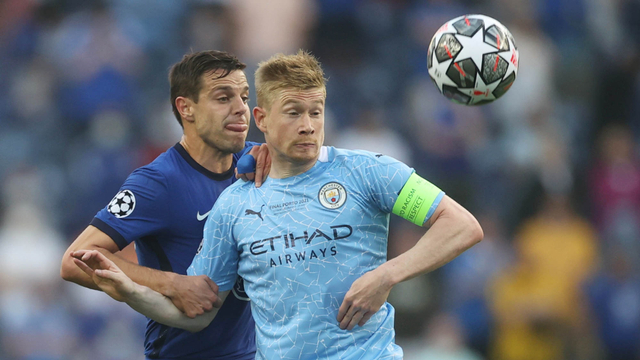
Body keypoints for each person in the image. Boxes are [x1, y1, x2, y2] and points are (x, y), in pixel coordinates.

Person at [73, 51, 483, 359]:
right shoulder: (227, 202)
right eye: (293, 113)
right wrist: (133, 289)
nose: (308, 125)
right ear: (263, 118)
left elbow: (462, 225)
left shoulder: (368, 172)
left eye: (316, 111)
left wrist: (387, 276)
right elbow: (196, 311)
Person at [60, 50, 269, 360]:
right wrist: (171, 284)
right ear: (186, 108)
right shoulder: (158, 182)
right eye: (223, 98)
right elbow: (73, 261)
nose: (241, 109)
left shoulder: (260, 160)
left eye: (243, 96)